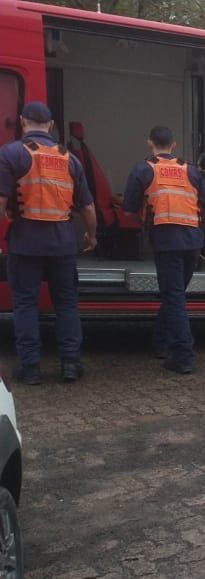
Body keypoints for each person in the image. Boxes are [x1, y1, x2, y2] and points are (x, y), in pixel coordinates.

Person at [0, 101, 97, 385]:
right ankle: (70, 364)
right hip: (62, 245)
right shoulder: (71, 159)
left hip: (25, 244)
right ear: (51, 126)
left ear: (22, 122)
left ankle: (30, 369)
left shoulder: (11, 153)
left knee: (26, 305)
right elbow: (88, 208)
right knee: (66, 304)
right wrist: (91, 236)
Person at [122, 125, 205, 374]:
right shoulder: (190, 170)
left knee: (174, 296)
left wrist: (145, 222)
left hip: (166, 240)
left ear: (150, 143)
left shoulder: (143, 169)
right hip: (193, 240)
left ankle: (183, 356)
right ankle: (161, 342)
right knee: (175, 293)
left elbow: (128, 209)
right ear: (173, 145)